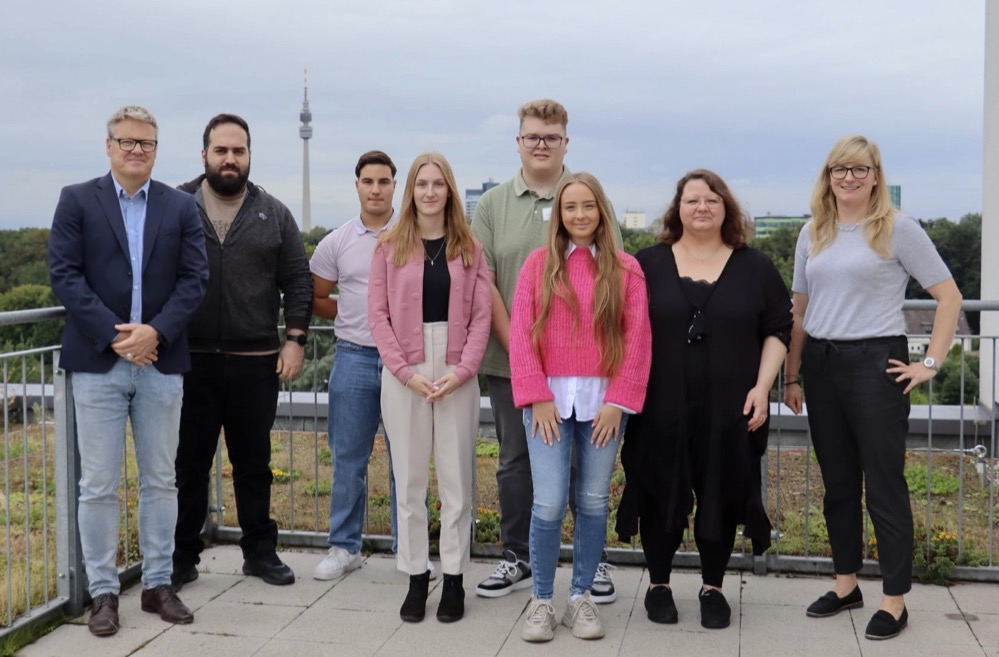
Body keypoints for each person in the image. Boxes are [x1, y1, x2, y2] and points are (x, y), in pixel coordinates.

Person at [784, 135, 961, 640]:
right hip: (821, 364)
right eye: (840, 169)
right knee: (838, 484)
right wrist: (792, 375)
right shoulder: (812, 232)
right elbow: (800, 311)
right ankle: (846, 585)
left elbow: (949, 296)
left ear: (876, 176)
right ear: (828, 177)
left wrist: (930, 363)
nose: (849, 177)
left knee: (884, 485)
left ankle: (894, 599)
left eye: (859, 169)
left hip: (875, 364)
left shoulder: (898, 229)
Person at [48, 105, 208, 636]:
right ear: (109, 146)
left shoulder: (180, 206)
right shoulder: (77, 200)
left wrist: (154, 333)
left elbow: (195, 279)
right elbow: (65, 275)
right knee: (98, 484)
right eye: (127, 141)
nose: (137, 150)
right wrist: (118, 337)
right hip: (98, 363)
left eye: (147, 143)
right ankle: (103, 593)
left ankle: (158, 584)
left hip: (161, 361)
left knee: (161, 480)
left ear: (156, 150)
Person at [616, 169, 792, 631]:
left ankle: (713, 587)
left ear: (726, 209)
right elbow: (621, 326)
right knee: (659, 492)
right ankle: (658, 585)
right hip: (659, 406)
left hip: (731, 409)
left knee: (722, 493)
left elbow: (779, 328)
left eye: (712, 200)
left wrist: (763, 387)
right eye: (692, 199)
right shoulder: (646, 264)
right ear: (677, 208)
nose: (702, 207)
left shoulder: (755, 267)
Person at [471, 99, 622, 602]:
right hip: (512, 361)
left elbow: (615, 274)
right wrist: (521, 349)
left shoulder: (586, 195)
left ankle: (591, 562)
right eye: (532, 136)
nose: (541, 144)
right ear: (518, 142)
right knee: (516, 461)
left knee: (583, 467)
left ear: (565, 143)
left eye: (551, 137)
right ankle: (517, 556)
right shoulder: (492, 204)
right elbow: (485, 283)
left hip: (584, 368)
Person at [172, 113, 313, 588]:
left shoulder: (273, 213)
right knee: (188, 465)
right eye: (221, 150)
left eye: (239, 150)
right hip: (188, 361)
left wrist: (295, 340)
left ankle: (259, 552)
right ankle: (181, 557)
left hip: (255, 363)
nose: (230, 159)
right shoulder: (176, 206)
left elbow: (298, 280)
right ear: (204, 154)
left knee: (253, 464)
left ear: (249, 155)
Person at [510, 173, 651, 642]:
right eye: (570, 207)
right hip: (547, 403)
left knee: (592, 501)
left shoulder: (626, 269)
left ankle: (581, 598)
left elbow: (637, 338)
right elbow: (521, 334)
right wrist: (536, 396)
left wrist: (618, 402)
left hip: (603, 406)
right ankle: (542, 601)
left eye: (588, 205)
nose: (580, 215)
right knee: (549, 502)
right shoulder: (538, 265)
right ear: (559, 214)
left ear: (601, 210)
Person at [368, 152, 491, 623]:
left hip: (456, 368)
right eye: (422, 184)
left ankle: (454, 578)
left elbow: (481, 317)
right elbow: (378, 316)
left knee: (456, 480)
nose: (430, 192)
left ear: (450, 191)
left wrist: (462, 372)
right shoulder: (388, 247)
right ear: (411, 191)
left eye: (438, 184)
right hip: (406, 369)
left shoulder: (470, 248)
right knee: (410, 480)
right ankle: (417, 576)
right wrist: (406, 373)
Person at [310, 150, 410, 580]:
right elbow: (316, 296)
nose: (376, 189)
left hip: (404, 361)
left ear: (394, 186)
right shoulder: (337, 241)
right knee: (348, 458)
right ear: (357, 186)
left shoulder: (413, 236)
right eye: (368, 181)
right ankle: (344, 547)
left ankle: (409, 549)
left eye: (384, 181)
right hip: (354, 356)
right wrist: (359, 315)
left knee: (405, 460)